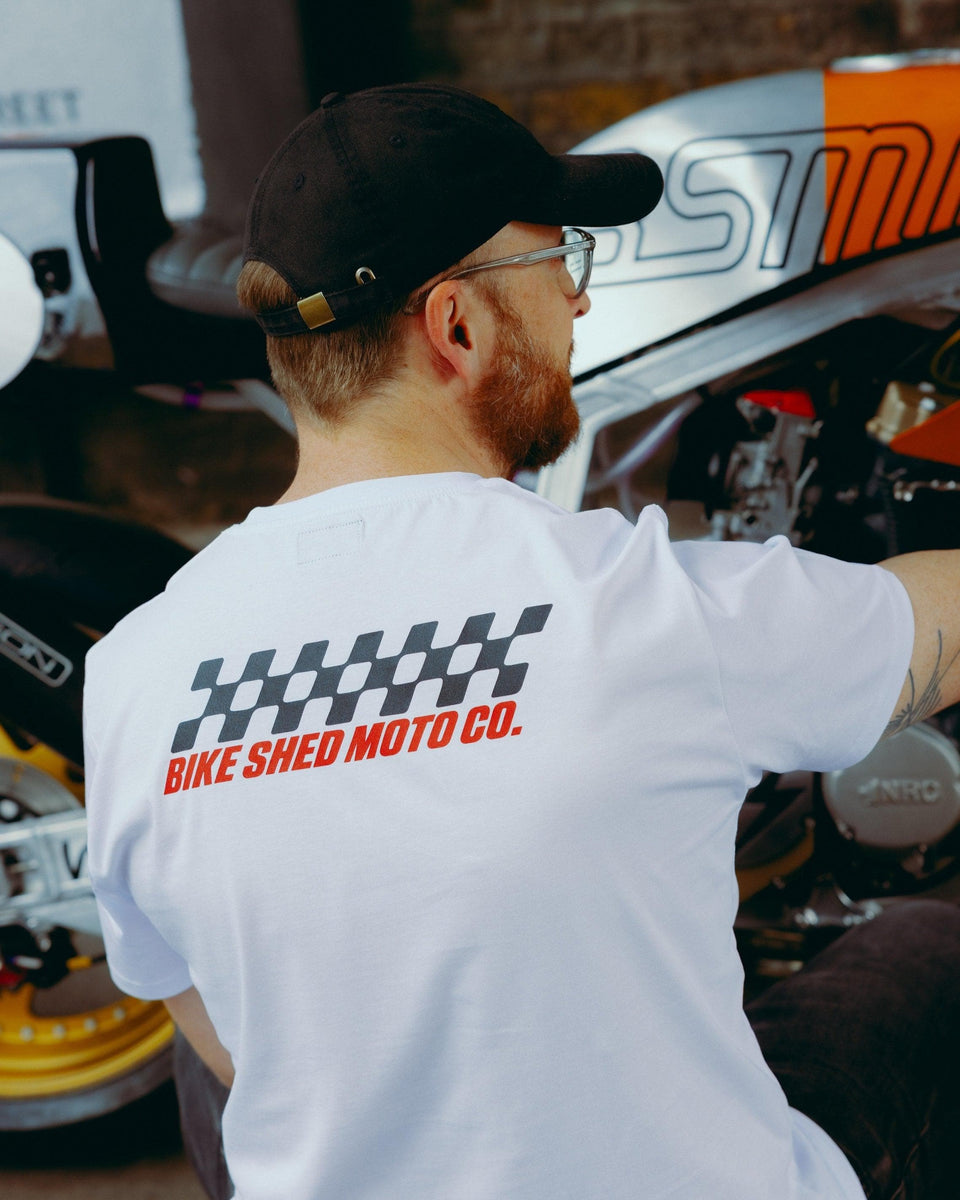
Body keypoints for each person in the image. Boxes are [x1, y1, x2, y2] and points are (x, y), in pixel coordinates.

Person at [83, 83, 960, 1200]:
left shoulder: (135, 673)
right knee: (926, 953)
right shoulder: (640, 609)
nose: (579, 310)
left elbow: (220, 1038)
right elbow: (939, 619)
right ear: (456, 324)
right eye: (560, 272)